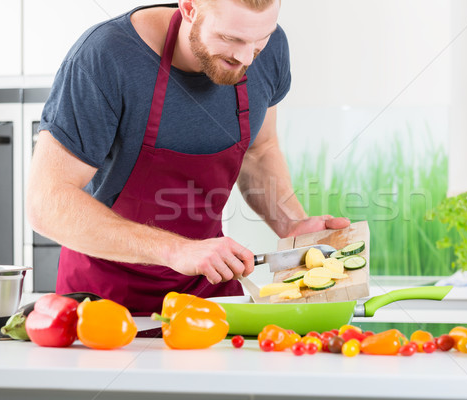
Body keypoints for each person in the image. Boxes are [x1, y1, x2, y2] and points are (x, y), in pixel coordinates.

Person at [26, 0, 349, 315]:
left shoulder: (269, 44)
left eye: (259, 43)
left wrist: (289, 222)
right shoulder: (106, 57)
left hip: (208, 291)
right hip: (105, 300)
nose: (245, 57)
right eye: (230, 39)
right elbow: (46, 204)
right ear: (190, 8)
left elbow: (259, 151)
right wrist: (176, 250)